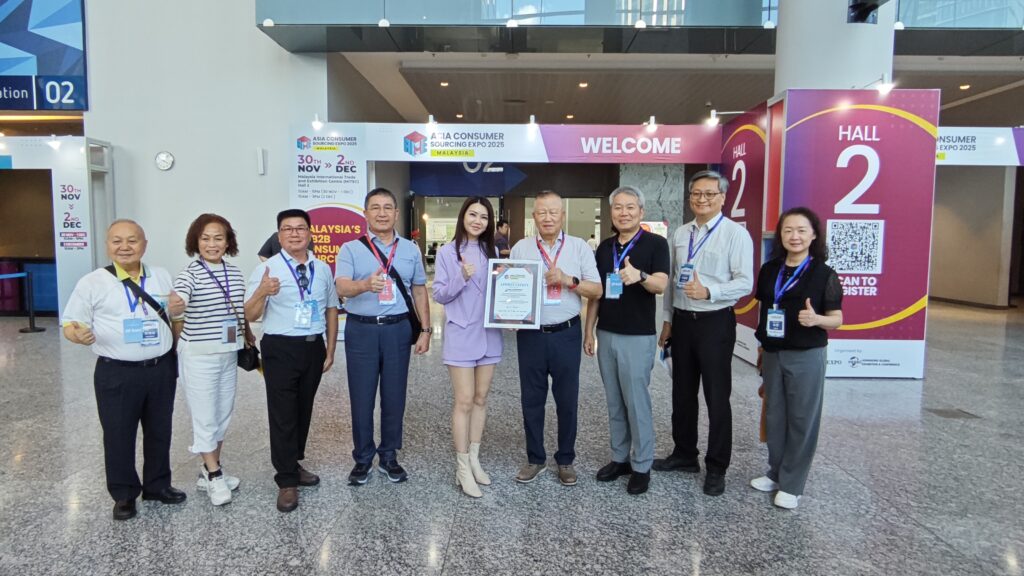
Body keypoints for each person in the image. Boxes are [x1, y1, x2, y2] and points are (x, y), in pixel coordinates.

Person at [62, 219, 187, 520]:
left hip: (160, 368)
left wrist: (174, 347)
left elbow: (174, 317)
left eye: (132, 240)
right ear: (108, 245)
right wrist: (78, 335)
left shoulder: (161, 275)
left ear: (144, 244)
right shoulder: (92, 282)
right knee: (118, 434)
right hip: (116, 371)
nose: (125, 246)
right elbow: (70, 324)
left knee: (160, 430)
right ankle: (124, 494)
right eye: (117, 241)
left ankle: (158, 485)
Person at [655, 170, 753, 496]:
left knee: (716, 396)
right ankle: (685, 454)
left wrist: (709, 291)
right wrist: (667, 321)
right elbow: (672, 282)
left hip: (715, 323)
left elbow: (745, 282)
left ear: (722, 197)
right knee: (682, 393)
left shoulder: (735, 235)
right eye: (696, 193)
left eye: (710, 194)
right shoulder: (681, 233)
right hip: (683, 322)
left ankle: (717, 466)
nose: (702, 199)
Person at [244, 209, 338, 513]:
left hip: (313, 348)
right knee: (283, 413)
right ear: (279, 235)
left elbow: (331, 309)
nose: (294, 234)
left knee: (303, 409)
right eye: (287, 229)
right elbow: (249, 314)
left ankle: (293, 462)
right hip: (280, 348)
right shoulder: (266, 269)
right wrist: (262, 292)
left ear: (310, 233)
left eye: (300, 228)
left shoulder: (322, 269)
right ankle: (285, 480)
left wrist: (330, 349)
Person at [335, 187, 431, 486]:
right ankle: (363, 458)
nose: (381, 213)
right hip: (361, 330)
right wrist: (365, 285)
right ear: (365, 213)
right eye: (375, 207)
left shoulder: (410, 249)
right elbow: (341, 287)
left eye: (387, 207)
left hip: (397, 330)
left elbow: (419, 290)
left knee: (394, 396)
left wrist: (426, 330)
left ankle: (389, 455)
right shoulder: (350, 249)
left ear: (396, 213)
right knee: (361, 397)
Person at [750, 207, 843, 510]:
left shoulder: (824, 274)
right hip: (773, 352)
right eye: (788, 230)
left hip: (806, 354)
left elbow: (837, 319)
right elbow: (766, 308)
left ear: (813, 235)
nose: (795, 236)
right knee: (774, 415)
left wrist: (817, 320)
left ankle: (792, 484)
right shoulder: (770, 269)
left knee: (802, 418)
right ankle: (776, 472)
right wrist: (762, 347)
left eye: (802, 230)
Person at [511, 190, 602, 486]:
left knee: (567, 400)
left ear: (562, 215)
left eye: (553, 212)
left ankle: (565, 459)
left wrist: (568, 281)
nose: (547, 217)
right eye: (541, 212)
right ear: (534, 216)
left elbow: (597, 290)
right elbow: (510, 287)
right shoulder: (521, 248)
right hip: (531, 335)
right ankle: (535, 458)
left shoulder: (579, 247)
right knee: (531, 399)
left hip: (567, 334)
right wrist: (508, 314)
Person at [584, 186, 670, 495]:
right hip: (606, 333)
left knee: (636, 402)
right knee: (614, 400)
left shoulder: (656, 243)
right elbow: (596, 293)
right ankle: (619, 458)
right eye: (618, 207)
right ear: (611, 212)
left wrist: (641, 276)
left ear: (641, 211)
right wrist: (589, 330)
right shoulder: (604, 248)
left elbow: (661, 284)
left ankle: (642, 465)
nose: (624, 212)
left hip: (637, 336)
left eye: (630, 207)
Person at [171, 214, 249, 506]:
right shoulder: (190, 273)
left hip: (228, 354)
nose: (212, 244)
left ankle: (209, 469)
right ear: (196, 242)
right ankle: (215, 475)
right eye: (205, 238)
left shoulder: (235, 272)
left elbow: (238, 310)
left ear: (228, 242)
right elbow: (179, 298)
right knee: (205, 416)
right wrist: (176, 303)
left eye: (218, 238)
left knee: (222, 414)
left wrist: (247, 334)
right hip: (199, 356)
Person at [432, 197, 503, 498]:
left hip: (490, 334)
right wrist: (461, 277)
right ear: (463, 217)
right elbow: (439, 294)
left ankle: (474, 459)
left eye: (483, 217)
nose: (477, 221)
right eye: (472, 214)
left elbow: (501, 291)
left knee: (481, 399)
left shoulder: (493, 251)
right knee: (463, 401)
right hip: (461, 333)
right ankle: (461, 466)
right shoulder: (447, 252)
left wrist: (513, 314)